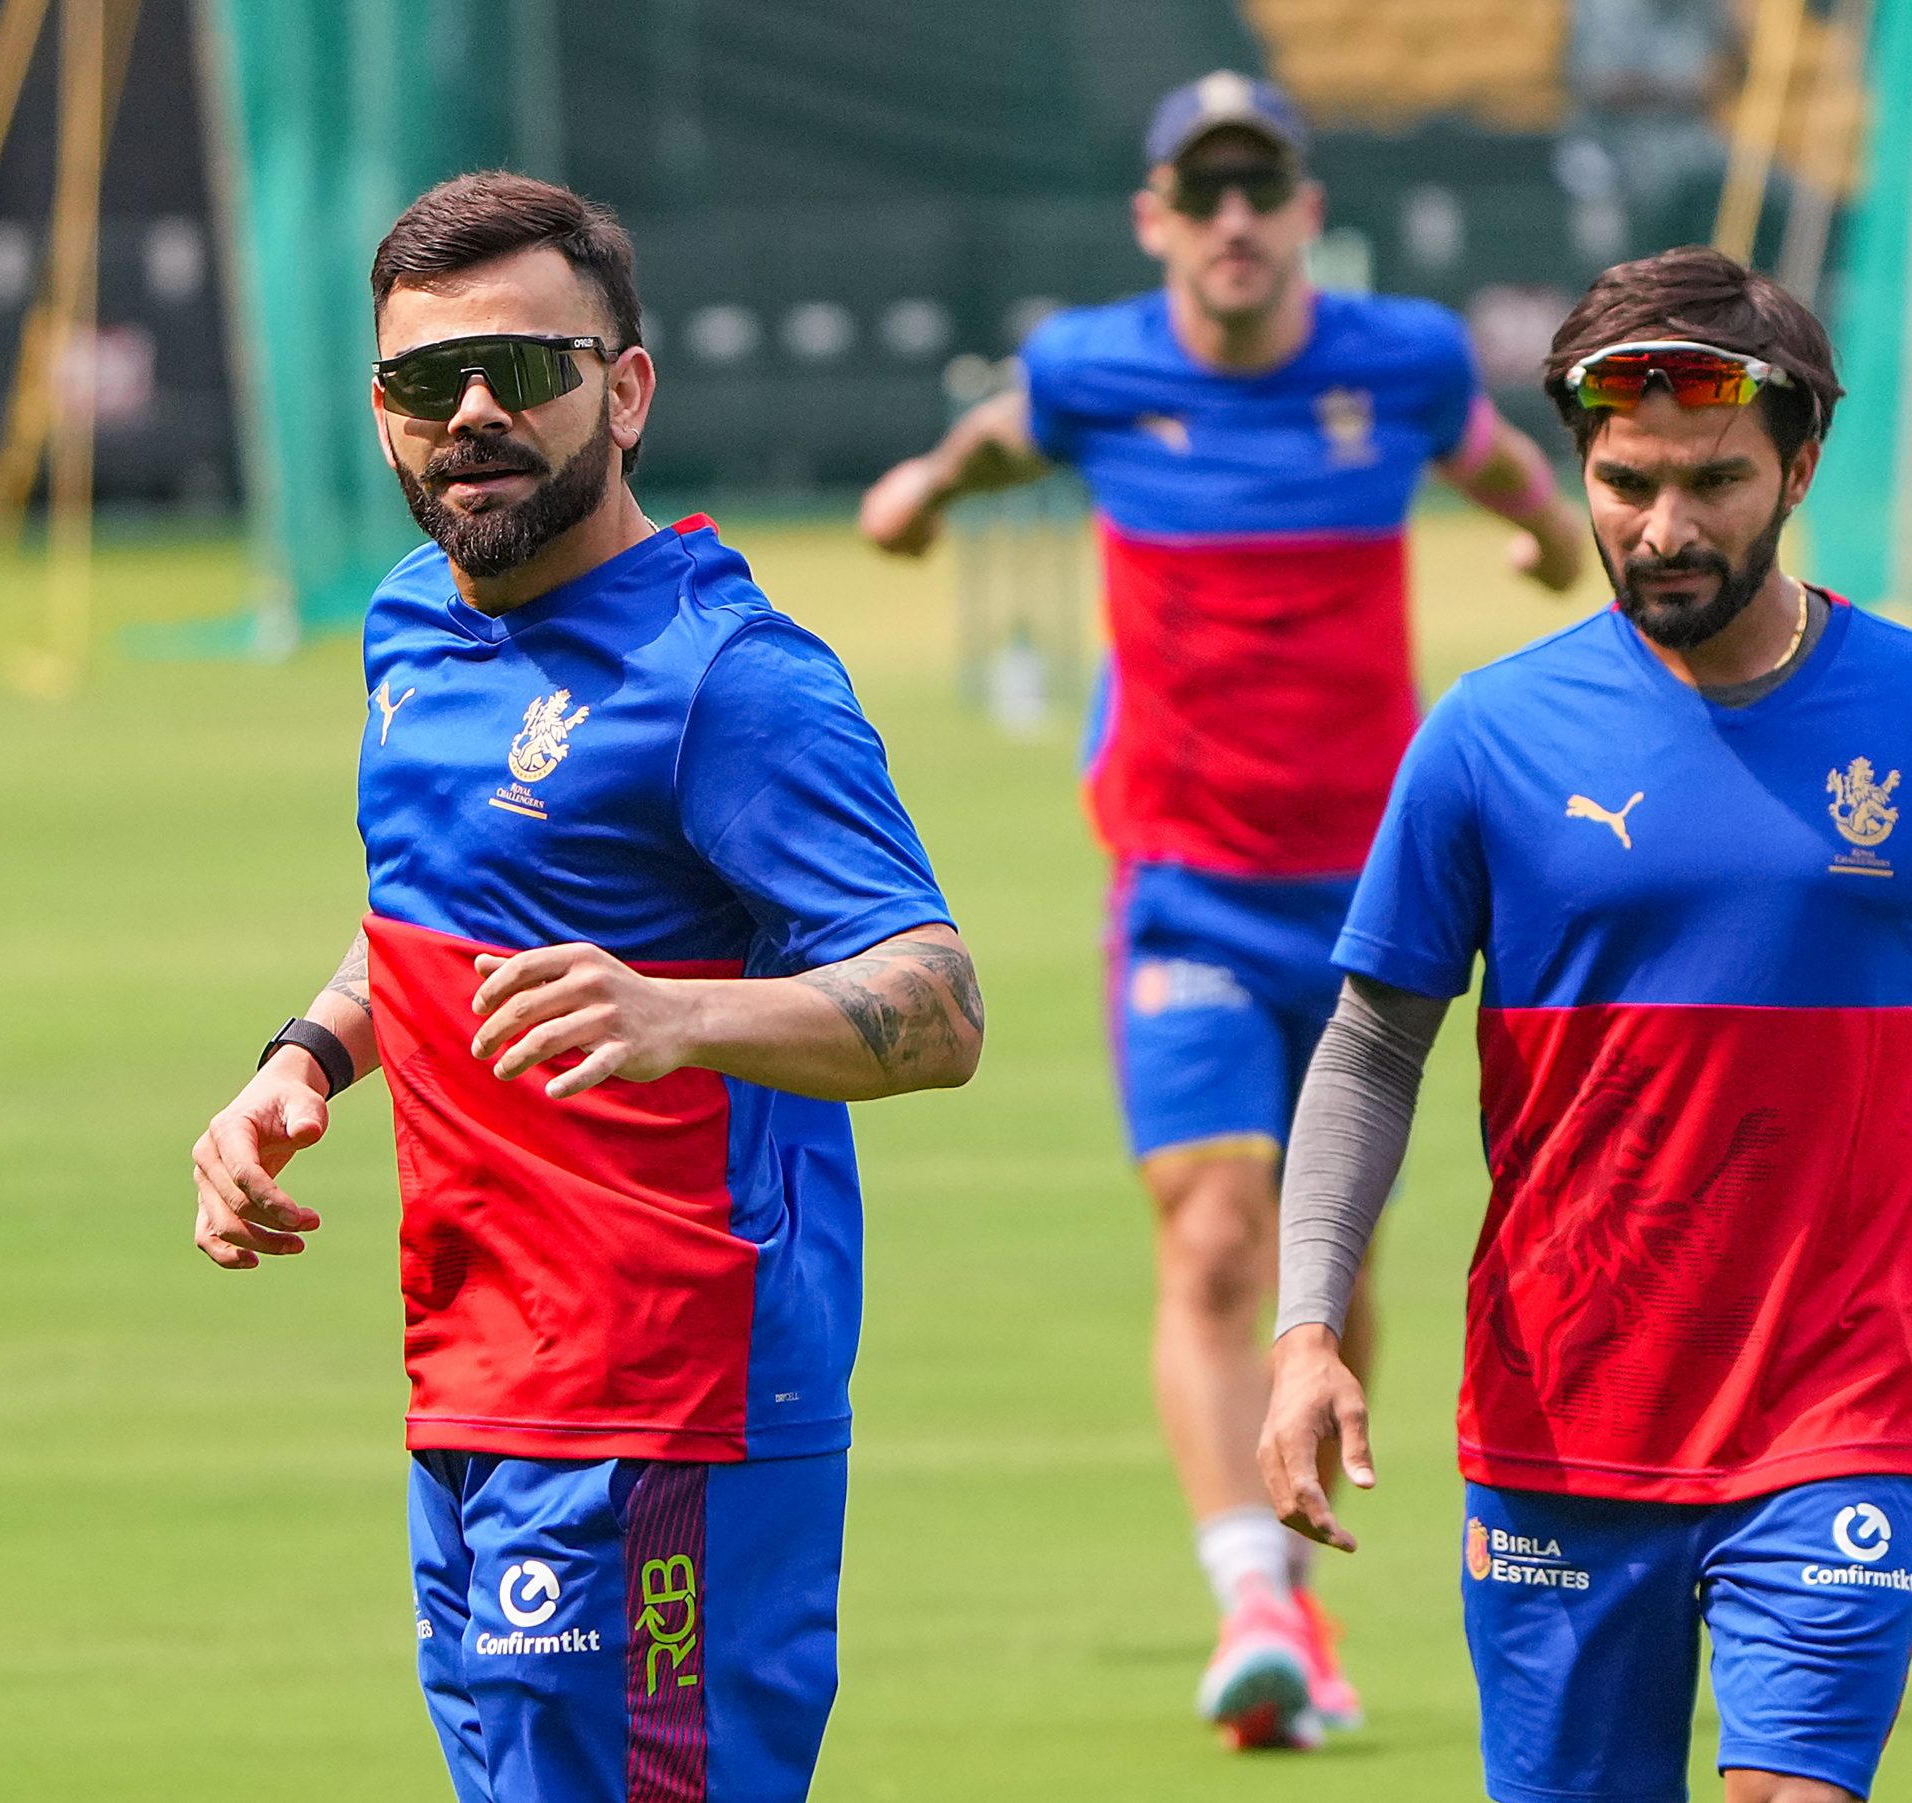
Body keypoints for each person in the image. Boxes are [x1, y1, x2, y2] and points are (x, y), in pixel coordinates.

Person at [188, 172, 982, 1803]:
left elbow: (940, 1001)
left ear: (623, 392)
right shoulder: (412, 624)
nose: (473, 414)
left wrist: (683, 1015)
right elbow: (436, 915)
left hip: (668, 1404)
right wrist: (306, 1059)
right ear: (382, 414)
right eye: (429, 380)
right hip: (474, 1380)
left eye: (523, 370)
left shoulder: (728, 679)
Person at [1259, 246, 1912, 1803]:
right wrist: (1308, 1331)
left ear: (1800, 469)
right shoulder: (1488, 737)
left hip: (1839, 1410)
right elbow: (1372, 1044)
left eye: (1714, 481)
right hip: (1563, 1417)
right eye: (1626, 483)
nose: (1664, 527)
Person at [859, 70, 1589, 1750]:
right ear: (1155, 221)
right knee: (1211, 1237)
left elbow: (1499, 467)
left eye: (1264, 189)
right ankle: (1253, 1599)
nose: (1236, 221)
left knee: (1332, 1263)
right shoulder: (1094, 370)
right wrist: (918, 494)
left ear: (1310, 211)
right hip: (1183, 887)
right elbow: (994, 440)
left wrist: (1553, 545)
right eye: (1204, 194)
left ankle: (1296, 1591)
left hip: (1378, 908)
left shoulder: (1398, 363)